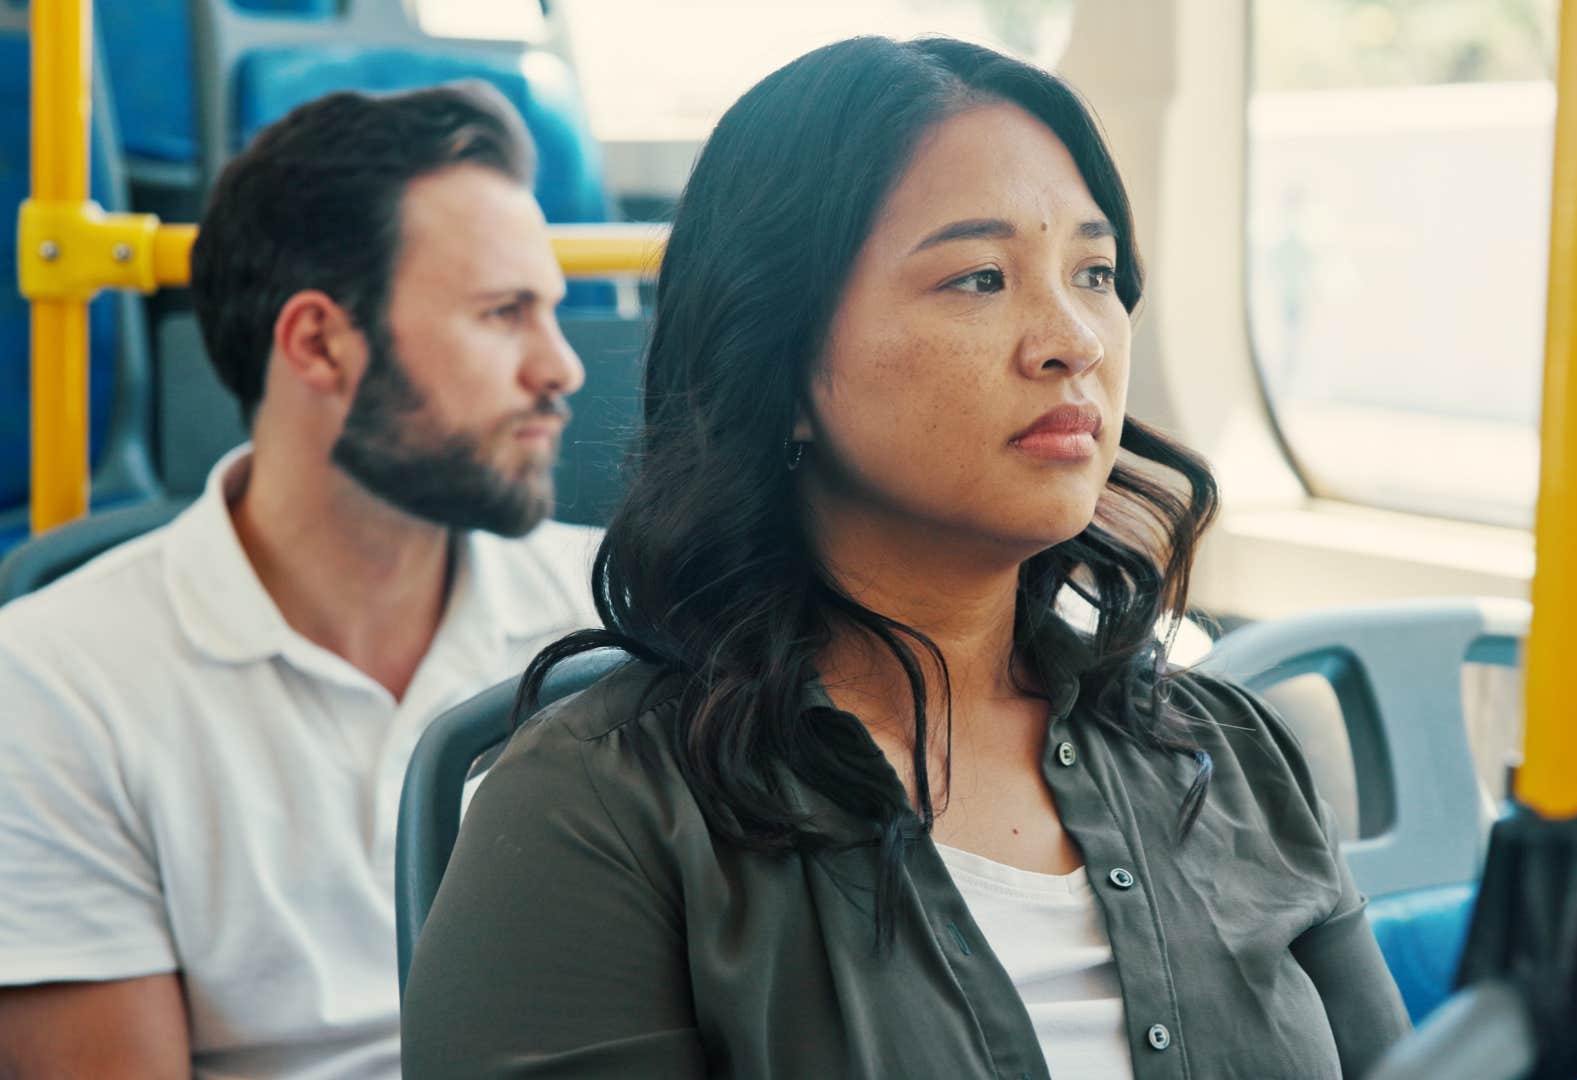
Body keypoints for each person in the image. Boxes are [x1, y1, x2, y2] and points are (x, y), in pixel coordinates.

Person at [402, 37, 1409, 1079]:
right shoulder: (598, 810)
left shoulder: (1232, 754)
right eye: (980, 278)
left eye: (1096, 272)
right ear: (780, 368)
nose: (1075, 339)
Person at [0, 83, 598, 1078]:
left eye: (554, 311)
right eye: (504, 314)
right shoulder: (51, 686)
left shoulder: (619, 614)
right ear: (318, 343)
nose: (563, 366)